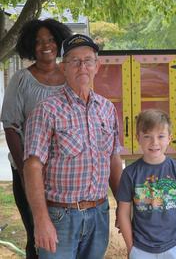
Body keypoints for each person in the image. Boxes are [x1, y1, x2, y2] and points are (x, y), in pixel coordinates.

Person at [23, 34, 123, 258]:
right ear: (63, 67)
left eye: (88, 60)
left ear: (97, 66)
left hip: (99, 213)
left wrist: (123, 206)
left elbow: (114, 160)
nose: (82, 67)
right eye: (74, 61)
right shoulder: (47, 110)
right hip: (60, 217)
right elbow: (32, 167)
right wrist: (41, 220)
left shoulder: (107, 109)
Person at [0, 18, 72, 259]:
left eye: (51, 40)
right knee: (38, 235)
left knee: (67, 232)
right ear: (31, 45)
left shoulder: (71, 76)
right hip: (30, 170)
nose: (46, 45)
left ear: (59, 42)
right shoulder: (21, 80)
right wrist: (23, 170)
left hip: (65, 173)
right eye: (39, 41)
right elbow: (10, 126)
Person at [117, 109, 176, 259]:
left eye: (160, 136)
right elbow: (123, 212)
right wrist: (130, 247)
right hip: (140, 248)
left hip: (174, 246)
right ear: (137, 138)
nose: (154, 143)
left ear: (169, 138)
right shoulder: (130, 173)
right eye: (147, 136)